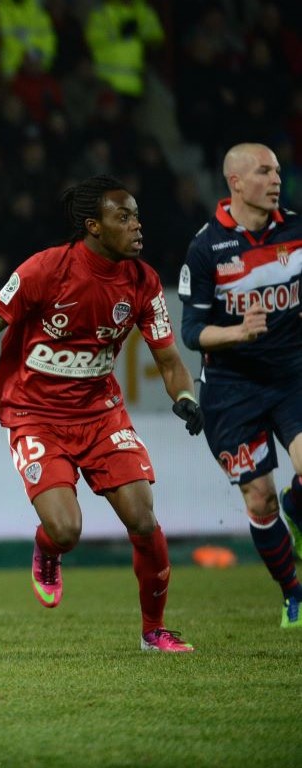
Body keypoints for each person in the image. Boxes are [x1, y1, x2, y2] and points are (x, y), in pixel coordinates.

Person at [0, 174, 201, 653]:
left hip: (101, 414)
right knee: (67, 530)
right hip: (34, 414)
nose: (137, 226)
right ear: (94, 226)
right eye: (123, 217)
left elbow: (170, 361)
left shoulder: (143, 282)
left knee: (143, 519)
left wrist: (185, 397)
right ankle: (49, 548)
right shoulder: (45, 270)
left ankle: (154, 631)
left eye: (136, 216)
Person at [177, 143, 302, 628]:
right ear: (236, 182)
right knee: (259, 498)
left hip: (291, 376)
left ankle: (296, 507)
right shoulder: (206, 248)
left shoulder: (296, 230)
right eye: (264, 172)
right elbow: (191, 332)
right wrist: (238, 333)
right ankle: (293, 593)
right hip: (231, 390)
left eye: (277, 171)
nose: (276, 180)